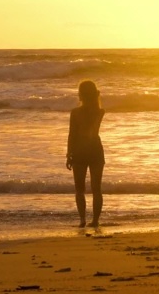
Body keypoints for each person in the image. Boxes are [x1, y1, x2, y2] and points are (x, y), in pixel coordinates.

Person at [65, 79, 105, 228]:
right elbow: (93, 133)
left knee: (79, 189)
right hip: (95, 149)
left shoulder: (75, 112)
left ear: (81, 94)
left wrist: (69, 153)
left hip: (80, 150)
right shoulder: (99, 111)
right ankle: (95, 220)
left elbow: (72, 134)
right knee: (96, 188)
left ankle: (82, 220)